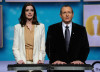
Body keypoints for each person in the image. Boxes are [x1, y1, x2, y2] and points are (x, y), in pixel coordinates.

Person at [46, 5, 90, 72]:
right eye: (64, 12)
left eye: (69, 12)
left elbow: (85, 48)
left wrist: (80, 60)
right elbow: (48, 47)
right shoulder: (52, 29)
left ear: (72, 14)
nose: (67, 15)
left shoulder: (81, 29)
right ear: (60, 15)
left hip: (76, 67)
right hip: (57, 67)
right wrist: (55, 60)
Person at [12, 3, 46, 72]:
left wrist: (40, 59)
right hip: (23, 62)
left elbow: (42, 47)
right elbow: (15, 48)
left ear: (34, 12)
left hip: (37, 62)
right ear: (24, 13)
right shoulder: (17, 27)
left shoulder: (41, 26)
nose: (29, 12)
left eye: (31, 10)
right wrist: (19, 60)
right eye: (27, 10)